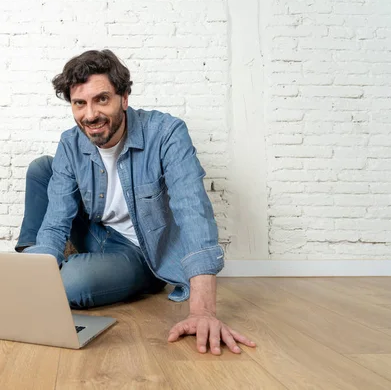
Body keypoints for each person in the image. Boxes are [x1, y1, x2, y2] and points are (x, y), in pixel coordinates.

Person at [15, 49, 256, 355]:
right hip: (97, 229)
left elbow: (193, 210)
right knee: (42, 170)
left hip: (142, 251)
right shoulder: (70, 142)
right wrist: (30, 276)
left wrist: (203, 311)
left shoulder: (167, 134)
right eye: (80, 103)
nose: (90, 115)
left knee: (72, 282)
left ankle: (71, 270)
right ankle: (29, 265)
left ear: (124, 98)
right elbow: (55, 219)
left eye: (101, 99)